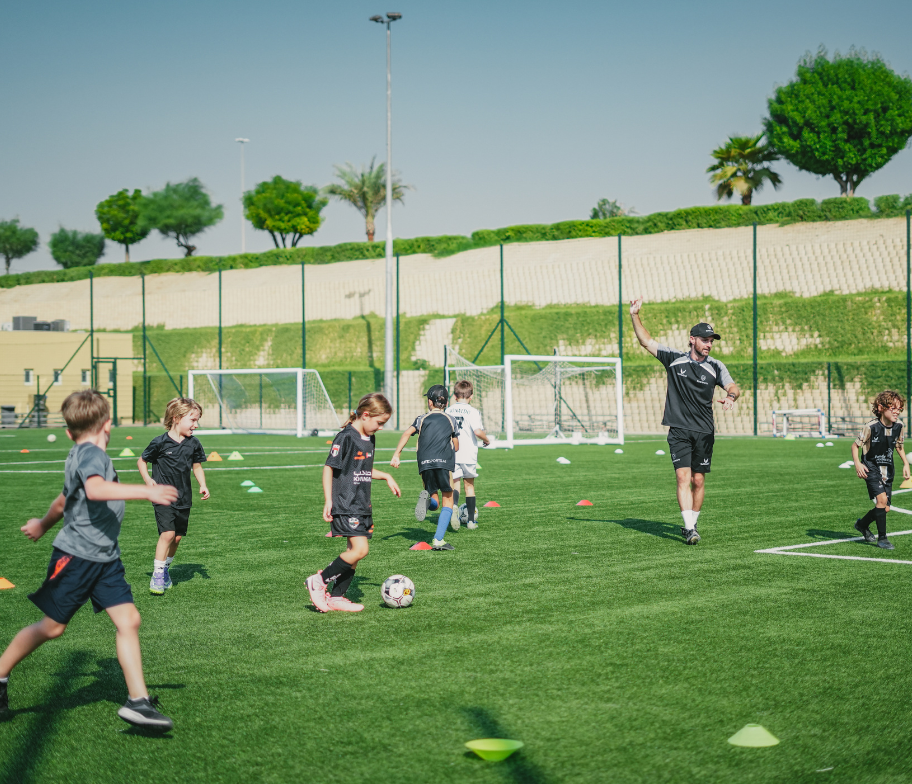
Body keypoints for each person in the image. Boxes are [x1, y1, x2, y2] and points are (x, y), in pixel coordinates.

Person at [0, 390, 178, 729]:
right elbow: (95, 490)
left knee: (129, 620)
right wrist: (148, 491)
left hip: (105, 558)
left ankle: (138, 701)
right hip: (78, 557)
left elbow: (64, 498)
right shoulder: (92, 456)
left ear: (68, 432)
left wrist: (42, 524)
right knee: (52, 627)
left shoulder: (80, 453)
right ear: (108, 424)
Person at [630, 297, 740, 545]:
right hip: (679, 430)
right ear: (692, 339)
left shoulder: (715, 366)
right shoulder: (674, 359)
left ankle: (693, 520)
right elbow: (645, 341)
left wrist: (731, 396)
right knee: (682, 477)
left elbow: (733, 385)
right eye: (705, 340)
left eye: (711, 341)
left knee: (698, 480)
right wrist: (635, 315)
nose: (709, 345)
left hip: (704, 431)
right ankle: (690, 529)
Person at [305, 393, 401, 612]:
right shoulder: (346, 437)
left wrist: (386, 476)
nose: (381, 428)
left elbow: (363, 470)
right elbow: (329, 467)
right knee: (360, 549)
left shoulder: (369, 438)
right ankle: (318, 581)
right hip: (345, 502)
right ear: (366, 415)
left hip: (362, 504)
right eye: (379, 423)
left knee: (353, 554)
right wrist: (328, 500)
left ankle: (336, 597)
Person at [138, 398, 209, 595]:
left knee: (176, 538)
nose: (196, 425)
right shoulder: (159, 442)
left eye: (197, 420)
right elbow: (142, 461)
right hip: (162, 496)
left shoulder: (193, 444)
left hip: (184, 498)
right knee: (167, 534)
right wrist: (148, 479)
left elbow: (197, 466)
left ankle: (166, 570)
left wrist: (202, 484)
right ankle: (157, 575)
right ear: (177, 418)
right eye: (192, 420)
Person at [390, 385, 459, 550]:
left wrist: (397, 454)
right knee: (448, 499)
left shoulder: (421, 419)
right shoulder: (451, 420)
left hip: (424, 462)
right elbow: (456, 446)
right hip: (443, 461)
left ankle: (428, 502)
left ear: (429, 402)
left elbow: (406, 433)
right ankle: (438, 540)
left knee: (433, 495)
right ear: (446, 402)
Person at [852, 390, 910, 550]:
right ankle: (882, 539)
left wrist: (906, 463)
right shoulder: (871, 427)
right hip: (870, 468)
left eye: (899, 409)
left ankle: (862, 525)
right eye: (893, 408)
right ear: (881, 407)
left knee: (885, 508)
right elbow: (855, 445)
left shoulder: (899, 426)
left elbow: (899, 445)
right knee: (882, 501)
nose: (897, 412)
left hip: (888, 469)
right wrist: (857, 463)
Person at [445, 379, 491, 530]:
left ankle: (455, 508)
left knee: (455, 484)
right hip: (469, 453)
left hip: (453, 452)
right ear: (471, 396)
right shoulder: (473, 411)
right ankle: (471, 521)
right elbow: (477, 431)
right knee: (469, 486)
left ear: (454, 395)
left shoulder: (448, 410)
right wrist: (486, 439)